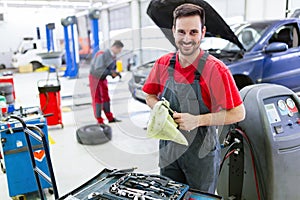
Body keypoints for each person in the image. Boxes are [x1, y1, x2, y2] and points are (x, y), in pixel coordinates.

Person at [142, 3, 245, 193]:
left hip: (201, 156)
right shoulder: (163, 64)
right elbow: (149, 95)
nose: (187, 39)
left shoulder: (215, 69)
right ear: (173, 31)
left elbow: (238, 113)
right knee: (168, 195)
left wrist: (197, 120)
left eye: (193, 32)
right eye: (181, 32)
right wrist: (158, 108)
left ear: (203, 32)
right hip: (169, 152)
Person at [89, 40, 124, 124]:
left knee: (106, 98)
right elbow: (98, 69)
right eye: (119, 50)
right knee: (97, 98)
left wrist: (114, 73)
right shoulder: (102, 54)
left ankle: (110, 118)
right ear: (115, 47)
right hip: (95, 77)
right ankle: (99, 120)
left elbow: (110, 68)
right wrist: (110, 73)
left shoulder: (113, 56)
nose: (119, 52)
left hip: (103, 78)